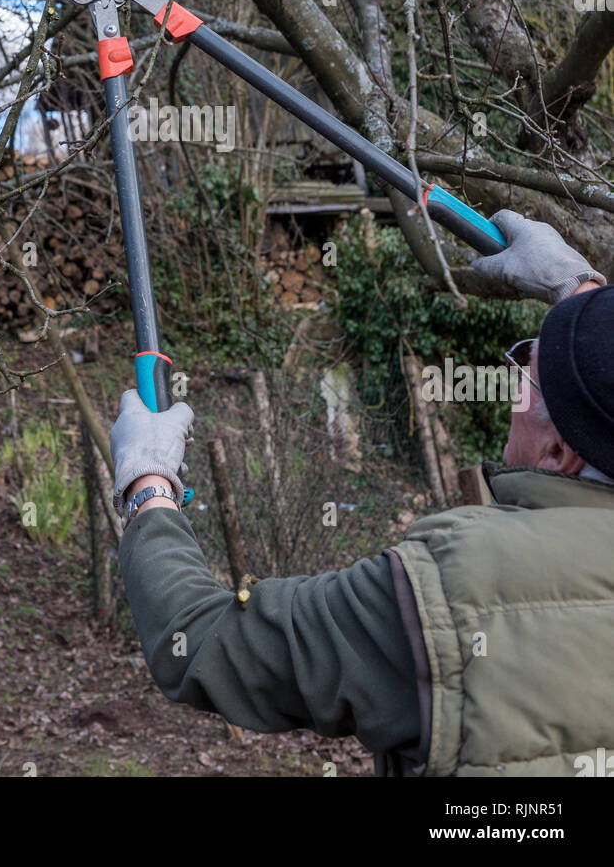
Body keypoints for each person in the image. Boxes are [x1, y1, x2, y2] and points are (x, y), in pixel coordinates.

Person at [110, 211, 614, 777]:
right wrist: (582, 294)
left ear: (556, 454)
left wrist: (146, 480)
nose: (515, 381)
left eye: (527, 370)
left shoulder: (449, 594)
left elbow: (200, 641)